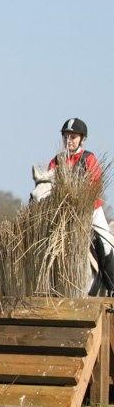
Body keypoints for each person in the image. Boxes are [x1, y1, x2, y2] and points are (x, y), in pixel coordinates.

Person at [48, 118, 114, 294]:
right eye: (66, 136)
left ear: (82, 139)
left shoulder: (89, 159)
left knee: (105, 244)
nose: (68, 140)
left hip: (90, 211)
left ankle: (112, 287)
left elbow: (95, 185)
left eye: (73, 137)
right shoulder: (56, 162)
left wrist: (81, 206)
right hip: (63, 215)